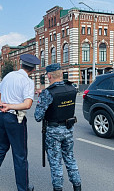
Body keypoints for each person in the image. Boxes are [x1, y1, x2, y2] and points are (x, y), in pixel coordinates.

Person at [0, 54, 39, 191]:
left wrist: (2, 104)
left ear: (21, 64)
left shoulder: (9, 76)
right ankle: (23, 188)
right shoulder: (28, 82)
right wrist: (10, 106)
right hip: (15, 119)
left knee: (0, 149)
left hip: (2, 117)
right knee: (20, 155)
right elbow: (27, 104)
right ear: (33, 69)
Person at [34, 63, 81, 191]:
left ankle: (58, 188)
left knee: (55, 163)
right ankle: (77, 187)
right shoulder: (72, 88)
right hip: (69, 129)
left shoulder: (47, 93)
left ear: (49, 76)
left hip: (53, 132)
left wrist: (42, 97)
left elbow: (38, 116)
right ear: (61, 74)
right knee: (70, 159)